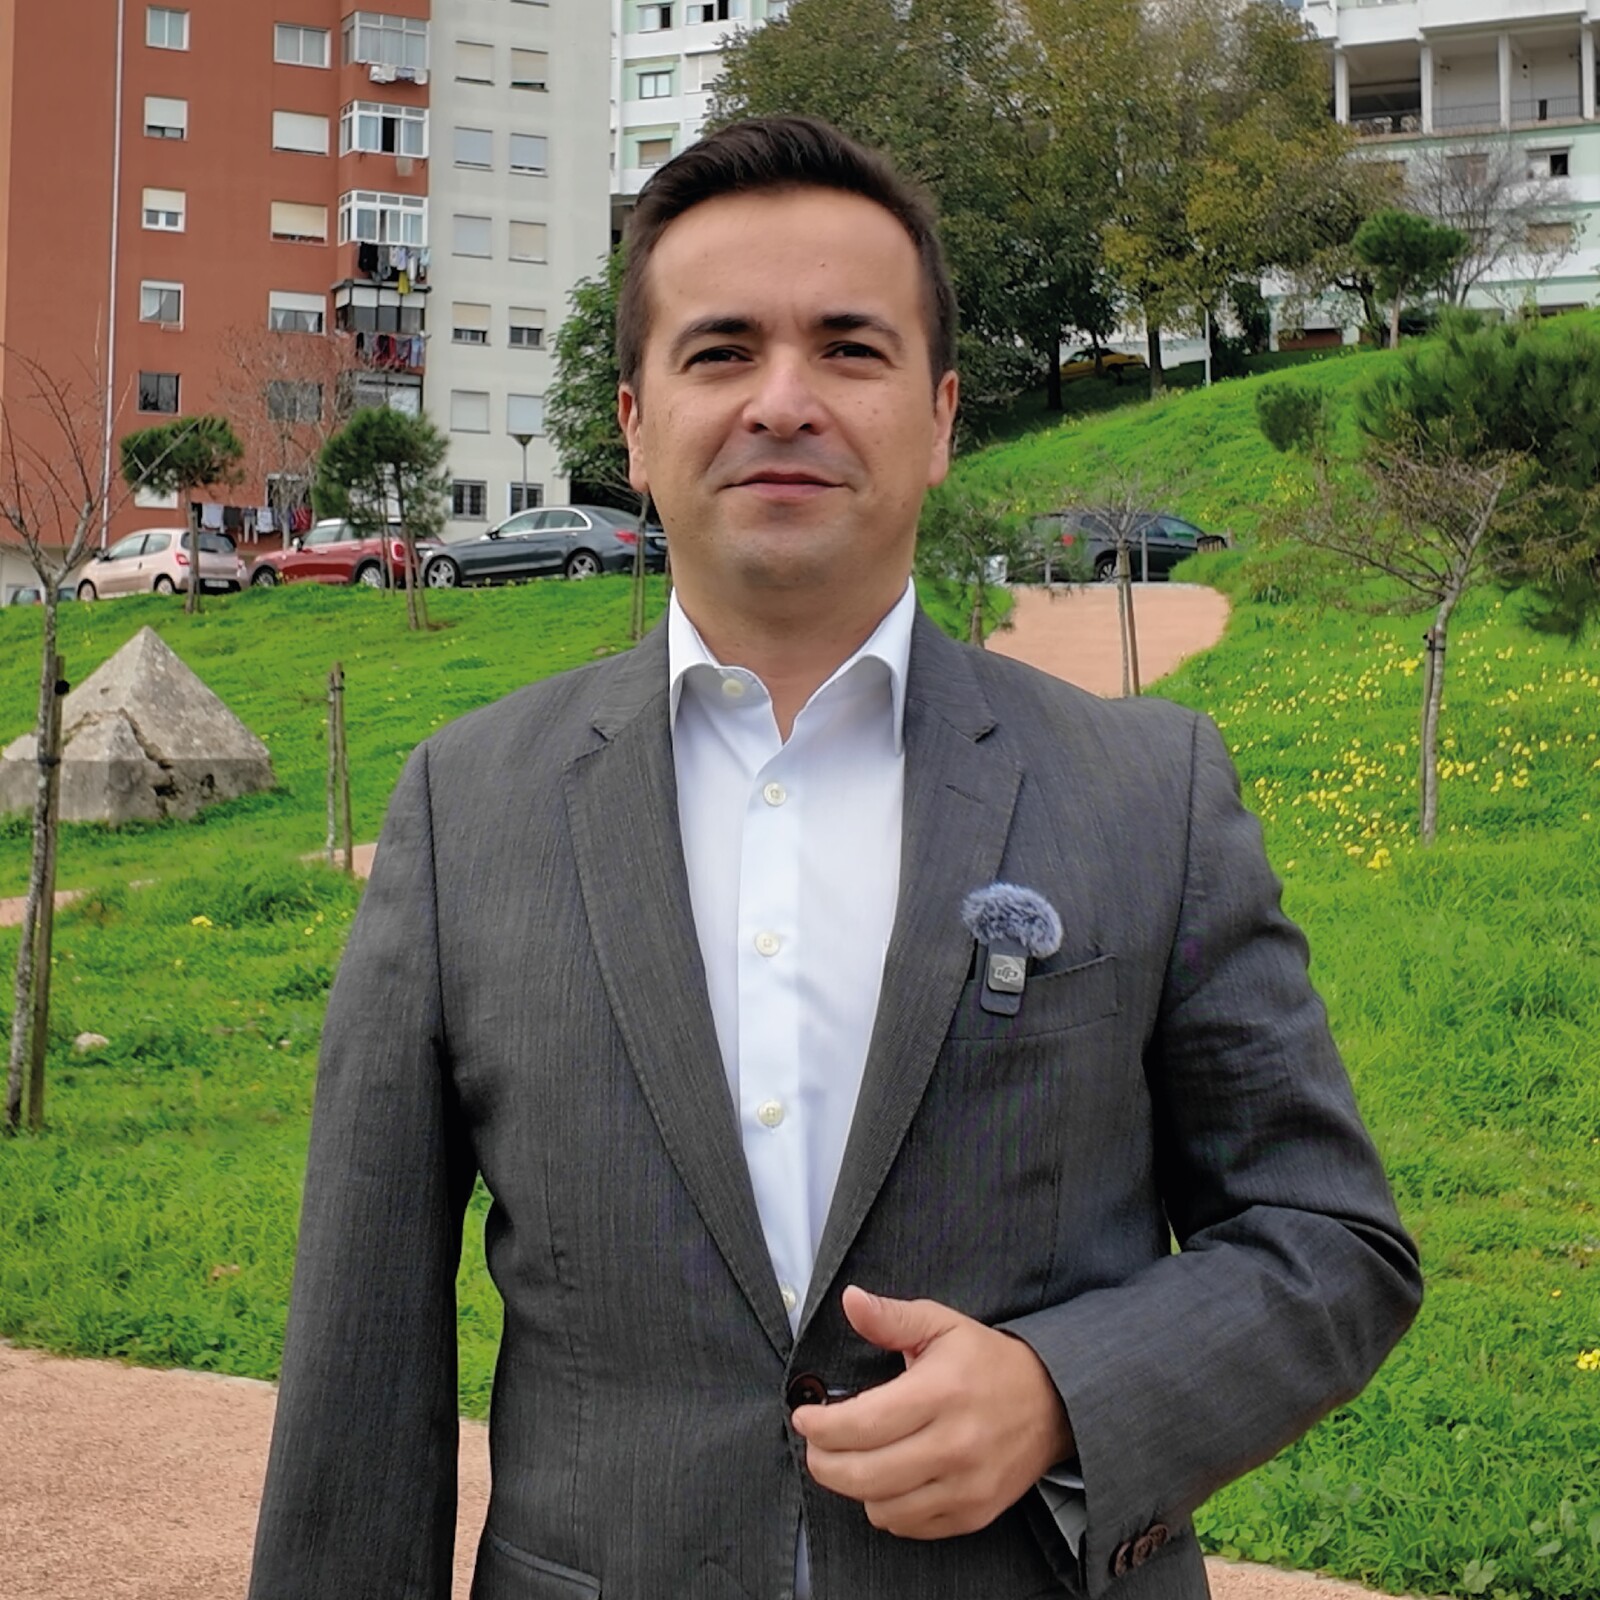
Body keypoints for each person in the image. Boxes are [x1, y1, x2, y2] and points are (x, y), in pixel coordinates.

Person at [248, 116, 1421, 1600]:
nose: (784, 401)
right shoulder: (464, 808)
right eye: (722, 350)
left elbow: (1331, 1241)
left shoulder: (1148, 794)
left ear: (939, 418)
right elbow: (362, 1355)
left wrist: (1066, 1393)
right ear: (635, 424)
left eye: (850, 350)